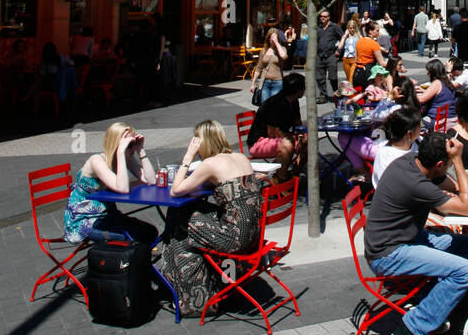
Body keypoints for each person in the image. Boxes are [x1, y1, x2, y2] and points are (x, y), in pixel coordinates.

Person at [363, 131, 468, 335]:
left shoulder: (410, 161)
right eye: (444, 165)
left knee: (462, 244)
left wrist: (447, 184)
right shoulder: (417, 183)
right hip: (389, 253)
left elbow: (451, 187)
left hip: (400, 239)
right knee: (465, 271)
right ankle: (412, 329)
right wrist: (457, 161)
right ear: (438, 164)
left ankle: (426, 307)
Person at [155, 121, 269, 319]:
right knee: (189, 217)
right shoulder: (241, 157)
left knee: (179, 225)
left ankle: (193, 297)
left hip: (234, 239)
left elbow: (176, 190)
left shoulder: (210, 164)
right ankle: (208, 287)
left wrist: (188, 157)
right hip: (253, 235)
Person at [63, 123, 158, 245]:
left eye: (134, 142)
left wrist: (141, 150)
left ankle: (136, 261)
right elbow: (122, 188)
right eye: (129, 144)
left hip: (109, 216)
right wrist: (120, 152)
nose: (132, 147)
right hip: (85, 221)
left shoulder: (126, 157)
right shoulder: (96, 161)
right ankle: (127, 261)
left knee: (150, 231)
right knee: (136, 237)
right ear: (116, 144)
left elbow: (151, 180)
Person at [246, 73, 307, 181]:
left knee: (308, 140)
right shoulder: (275, 103)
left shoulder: (294, 102)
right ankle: (280, 178)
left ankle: (294, 172)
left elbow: (298, 124)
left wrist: (301, 135)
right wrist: (293, 138)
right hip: (259, 142)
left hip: (278, 138)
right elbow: (272, 132)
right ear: (298, 90)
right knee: (288, 144)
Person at [371, 106, 424, 188]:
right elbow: (390, 187)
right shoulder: (385, 155)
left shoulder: (418, 141)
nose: (422, 126)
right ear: (409, 134)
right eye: (419, 125)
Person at [252, 25, 290, 104]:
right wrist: (253, 83)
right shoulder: (263, 50)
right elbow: (259, 67)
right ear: (268, 39)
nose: (273, 40)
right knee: (265, 106)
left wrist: (276, 43)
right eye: (271, 38)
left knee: (275, 106)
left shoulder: (282, 49)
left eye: (275, 37)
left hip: (278, 82)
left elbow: (284, 56)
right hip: (265, 82)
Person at [416, 58, 456, 128]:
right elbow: (440, 94)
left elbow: (421, 99)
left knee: (413, 122)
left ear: (433, 72)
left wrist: (409, 92)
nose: (427, 74)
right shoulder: (447, 81)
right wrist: (424, 91)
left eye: (428, 72)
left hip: (437, 121)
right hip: (449, 118)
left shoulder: (437, 83)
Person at [315, 7, 344, 105]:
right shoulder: (318, 28)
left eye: (324, 16)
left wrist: (339, 50)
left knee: (333, 77)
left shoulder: (334, 27)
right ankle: (323, 95)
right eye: (321, 16)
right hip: (319, 56)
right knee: (319, 77)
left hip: (331, 55)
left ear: (329, 17)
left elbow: (343, 37)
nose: (322, 18)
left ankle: (336, 93)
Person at [352, 20, 387, 90]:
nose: (378, 32)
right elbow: (382, 63)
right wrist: (393, 63)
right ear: (370, 31)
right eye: (377, 30)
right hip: (368, 73)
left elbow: (356, 59)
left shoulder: (359, 41)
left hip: (357, 72)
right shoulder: (374, 44)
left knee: (360, 97)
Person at [340, 16, 361, 83]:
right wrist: (345, 36)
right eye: (350, 28)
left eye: (353, 28)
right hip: (346, 59)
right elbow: (340, 46)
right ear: (348, 28)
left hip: (354, 59)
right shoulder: (345, 37)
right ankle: (351, 91)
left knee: (351, 77)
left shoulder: (358, 36)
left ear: (355, 28)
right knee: (348, 77)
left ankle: (351, 92)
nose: (352, 29)